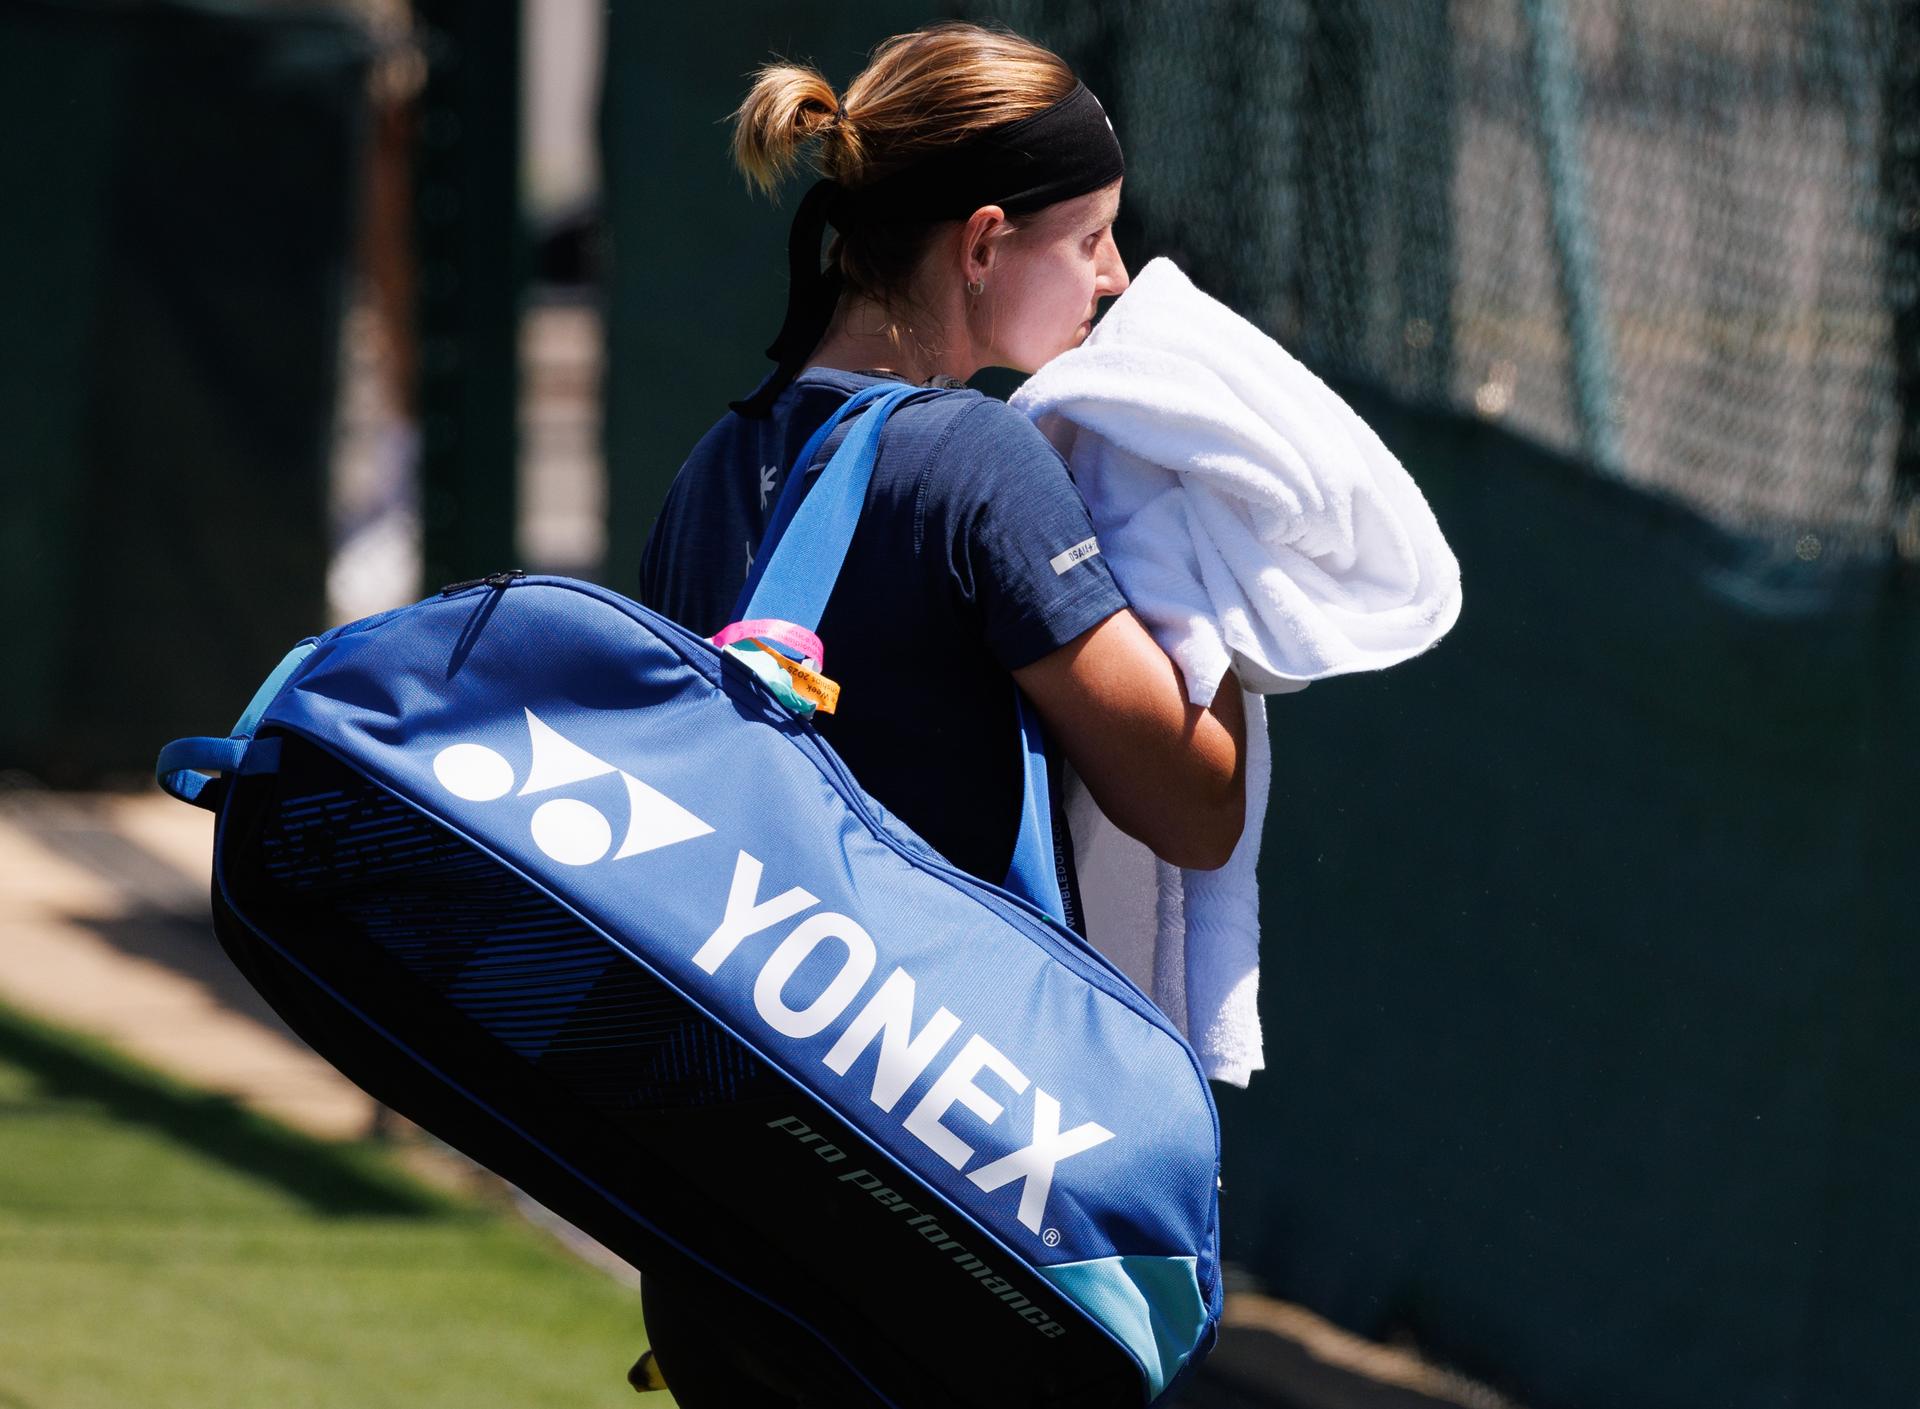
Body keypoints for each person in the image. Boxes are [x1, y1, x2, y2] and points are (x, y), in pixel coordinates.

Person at [632, 21, 1246, 1406]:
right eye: (1087, 235)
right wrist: (1236, 595)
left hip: (724, 1214)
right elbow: (1194, 805)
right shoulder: (977, 458)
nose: (1113, 276)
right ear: (981, 246)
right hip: (926, 1209)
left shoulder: (714, 464)